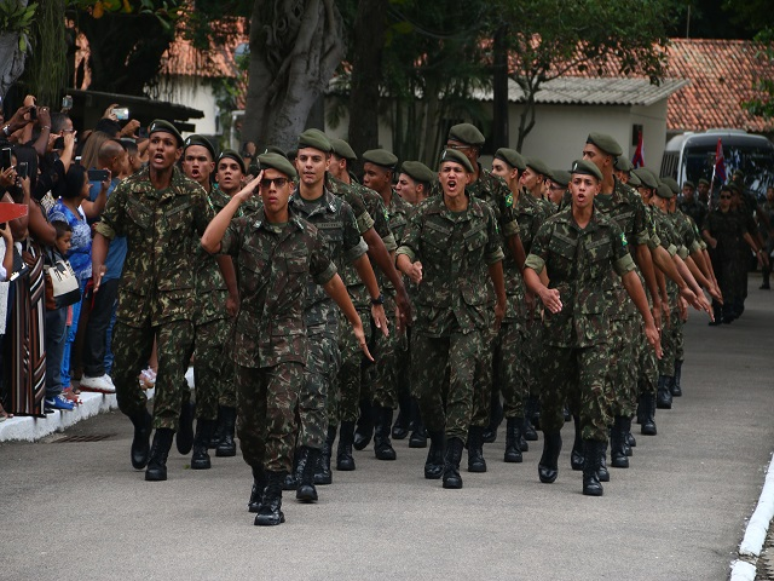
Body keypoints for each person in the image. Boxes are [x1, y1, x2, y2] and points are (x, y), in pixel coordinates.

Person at [201, 152, 372, 527]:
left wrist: (356, 321)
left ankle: (274, 498)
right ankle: (262, 479)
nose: (272, 189)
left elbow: (332, 280)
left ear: (291, 188)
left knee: (280, 417)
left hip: (289, 340)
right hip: (248, 341)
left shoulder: (306, 235)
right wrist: (237, 198)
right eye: (266, 183)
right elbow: (209, 243)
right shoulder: (245, 228)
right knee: (249, 429)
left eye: (280, 183)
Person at [523, 159, 661, 497]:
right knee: (554, 400)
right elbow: (530, 267)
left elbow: (630, 274)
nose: (582, 188)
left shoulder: (610, 230)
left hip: (597, 327)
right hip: (558, 327)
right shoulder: (551, 227)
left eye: (588, 182)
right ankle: (552, 445)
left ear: (597, 188)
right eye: (577, 182)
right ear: (569, 187)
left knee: (595, 395)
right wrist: (542, 291)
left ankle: (591, 467)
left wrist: (648, 320)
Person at [92, 120, 215, 482]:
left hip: (178, 299)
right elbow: (104, 229)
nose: (160, 148)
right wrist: (97, 267)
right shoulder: (129, 190)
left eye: (167, 143)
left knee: (171, 371)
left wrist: (231, 291)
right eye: (155, 142)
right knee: (122, 372)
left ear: (178, 153)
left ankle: (160, 452)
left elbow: (212, 239)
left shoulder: (192, 195)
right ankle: (142, 420)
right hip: (134, 295)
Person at [396, 149, 506, 490]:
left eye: (458, 170)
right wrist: (408, 267)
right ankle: (438, 438)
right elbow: (403, 250)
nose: (452, 176)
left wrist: (501, 300)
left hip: (470, 314)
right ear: (439, 178)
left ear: (469, 177)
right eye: (446, 170)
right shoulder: (424, 213)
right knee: (426, 389)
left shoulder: (484, 214)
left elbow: (494, 259)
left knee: (462, 382)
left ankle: (452, 460)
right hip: (431, 312)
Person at [288, 130, 386, 502]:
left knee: (315, 384)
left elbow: (360, 255)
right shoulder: (282, 204)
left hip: (323, 313)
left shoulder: (341, 210)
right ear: (296, 163)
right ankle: (292, 457)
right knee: (288, 393)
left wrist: (376, 298)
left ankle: (310, 465)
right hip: (283, 313)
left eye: (316, 159)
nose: (309, 165)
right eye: (304, 159)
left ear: (329, 163)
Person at [179, 134, 239, 469]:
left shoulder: (222, 203)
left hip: (212, 296)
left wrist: (233, 293)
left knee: (208, 370)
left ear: (211, 167)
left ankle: (203, 441)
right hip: (173, 296)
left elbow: (224, 251)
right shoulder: (169, 197)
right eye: (190, 159)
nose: (195, 165)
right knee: (172, 372)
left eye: (202, 160)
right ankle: (181, 412)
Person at [47, 164, 109, 393]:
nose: (89, 185)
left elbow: (96, 210)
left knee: (71, 332)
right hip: (66, 277)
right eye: (85, 182)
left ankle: (63, 379)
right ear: (76, 185)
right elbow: (58, 245)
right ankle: (61, 382)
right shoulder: (60, 212)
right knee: (65, 331)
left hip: (81, 278)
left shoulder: (78, 208)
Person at [79, 139, 129, 393]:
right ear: (113, 161)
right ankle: (95, 369)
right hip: (104, 267)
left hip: (116, 266)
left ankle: (105, 368)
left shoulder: (117, 185)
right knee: (100, 319)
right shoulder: (101, 188)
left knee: (109, 319)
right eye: (123, 158)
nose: (128, 161)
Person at [44, 221, 77, 412]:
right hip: (55, 309)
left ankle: (53, 391)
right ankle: (52, 391)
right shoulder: (52, 259)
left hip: (62, 310)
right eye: (66, 241)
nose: (69, 245)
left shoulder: (59, 257)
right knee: (55, 343)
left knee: (59, 342)